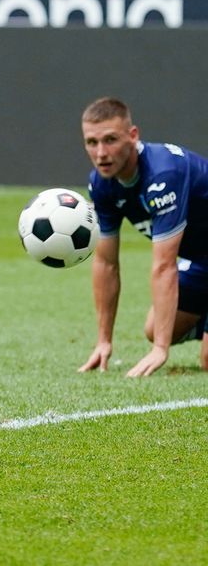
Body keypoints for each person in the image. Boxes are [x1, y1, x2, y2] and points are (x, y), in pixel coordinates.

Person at [79, 97, 208, 378]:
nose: (101, 153)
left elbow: (164, 265)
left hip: (194, 260)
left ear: (133, 135)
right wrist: (104, 341)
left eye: (110, 139)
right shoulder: (101, 184)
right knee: (155, 328)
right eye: (92, 142)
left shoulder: (164, 174)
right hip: (202, 261)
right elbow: (105, 263)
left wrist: (161, 349)